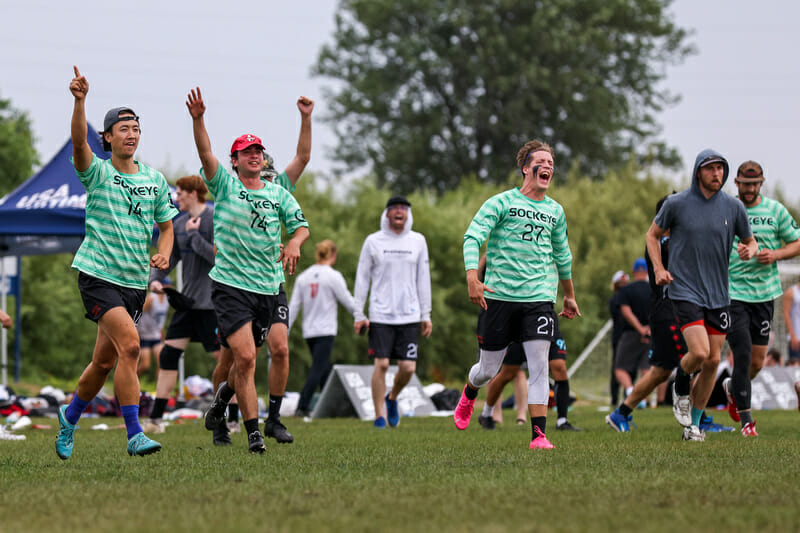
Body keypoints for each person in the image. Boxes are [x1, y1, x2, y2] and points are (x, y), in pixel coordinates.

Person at [55, 66, 177, 460]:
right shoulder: (99, 173)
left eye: (136, 129)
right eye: (123, 129)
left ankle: (69, 419)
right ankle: (135, 433)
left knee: (104, 362)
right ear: (107, 138)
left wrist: (165, 250)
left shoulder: (155, 180)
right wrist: (79, 102)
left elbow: (167, 226)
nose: (131, 134)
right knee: (131, 345)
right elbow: (78, 146)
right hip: (97, 275)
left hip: (133, 283)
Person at [187, 87, 309, 454]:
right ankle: (254, 434)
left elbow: (301, 224)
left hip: (268, 288)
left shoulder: (277, 192)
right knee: (245, 359)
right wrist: (198, 119)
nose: (254, 155)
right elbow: (205, 153)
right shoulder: (224, 186)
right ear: (235, 160)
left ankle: (221, 406)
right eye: (246, 151)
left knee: (234, 361)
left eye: (258, 150)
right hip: (229, 286)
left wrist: (294, 242)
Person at [454, 139, 580, 450]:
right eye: (541, 161)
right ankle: (470, 393)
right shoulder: (501, 203)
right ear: (526, 168)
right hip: (498, 298)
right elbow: (472, 237)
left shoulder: (555, 211)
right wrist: (472, 276)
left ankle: (539, 435)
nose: (548, 166)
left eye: (551, 162)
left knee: (539, 365)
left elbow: (563, 255)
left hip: (538, 299)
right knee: (488, 370)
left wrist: (569, 295)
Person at [645, 149, 756, 442]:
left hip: (718, 295)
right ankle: (681, 381)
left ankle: (693, 426)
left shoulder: (733, 207)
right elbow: (652, 235)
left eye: (720, 168)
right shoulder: (676, 203)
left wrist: (750, 250)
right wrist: (658, 268)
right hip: (684, 290)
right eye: (710, 169)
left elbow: (750, 241)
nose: (716, 173)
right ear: (698, 172)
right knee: (700, 353)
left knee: (712, 361)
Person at [141, 175, 227, 441]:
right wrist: (155, 281)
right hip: (188, 305)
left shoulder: (216, 218)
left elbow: (220, 259)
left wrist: (194, 236)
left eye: (180, 193)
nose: (176, 197)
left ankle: (231, 418)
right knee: (168, 357)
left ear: (194, 193)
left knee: (225, 364)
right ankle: (155, 419)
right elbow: (168, 258)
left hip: (213, 305)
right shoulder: (177, 224)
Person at [721, 160, 800, 435]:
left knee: (756, 362)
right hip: (732, 294)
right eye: (746, 185)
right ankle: (746, 421)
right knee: (741, 353)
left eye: (755, 185)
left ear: (761, 184)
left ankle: (733, 387)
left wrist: (774, 254)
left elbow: (797, 241)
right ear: (737, 184)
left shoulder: (775, 210)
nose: (751, 189)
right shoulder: (726, 209)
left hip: (765, 296)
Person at [353, 195, 433, 428]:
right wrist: (359, 313)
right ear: (386, 213)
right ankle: (379, 415)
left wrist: (425, 314)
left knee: (408, 368)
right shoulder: (373, 241)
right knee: (383, 364)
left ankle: (392, 398)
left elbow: (423, 279)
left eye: (403, 209)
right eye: (395, 208)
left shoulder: (418, 241)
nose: (399, 212)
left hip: (409, 314)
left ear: (408, 214)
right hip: (380, 313)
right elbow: (362, 278)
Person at [288, 239, 358, 417]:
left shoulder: (303, 277)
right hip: (326, 329)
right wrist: (362, 316)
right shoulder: (333, 276)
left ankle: (331, 407)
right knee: (318, 368)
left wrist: (285, 328)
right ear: (333, 255)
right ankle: (302, 406)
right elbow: (348, 301)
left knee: (324, 368)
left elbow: (294, 306)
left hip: (309, 330)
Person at [479, 327, 581, 432]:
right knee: (508, 374)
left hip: (547, 322)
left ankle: (561, 421)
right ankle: (487, 413)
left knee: (559, 367)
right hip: (524, 324)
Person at [614, 258, 652, 403]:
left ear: (634, 272)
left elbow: (626, 311)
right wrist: (648, 328)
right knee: (646, 369)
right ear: (647, 271)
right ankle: (643, 398)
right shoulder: (653, 289)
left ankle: (631, 391)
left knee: (620, 368)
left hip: (630, 333)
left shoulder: (626, 290)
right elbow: (658, 310)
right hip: (650, 334)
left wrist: (640, 329)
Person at [136, 285, 170, 377]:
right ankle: (129, 383)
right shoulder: (151, 298)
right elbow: (139, 312)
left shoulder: (167, 300)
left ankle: (159, 390)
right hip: (144, 335)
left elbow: (161, 320)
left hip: (156, 335)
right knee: (145, 365)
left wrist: (162, 334)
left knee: (162, 363)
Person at [608, 270, 629, 405]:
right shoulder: (615, 300)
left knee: (628, 368)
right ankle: (615, 398)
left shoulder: (627, 300)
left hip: (628, 337)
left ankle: (628, 396)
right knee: (617, 368)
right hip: (619, 338)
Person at [783, 278, 800, 366]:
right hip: (796, 338)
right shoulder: (792, 292)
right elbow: (786, 314)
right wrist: (793, 336)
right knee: (795, 367)